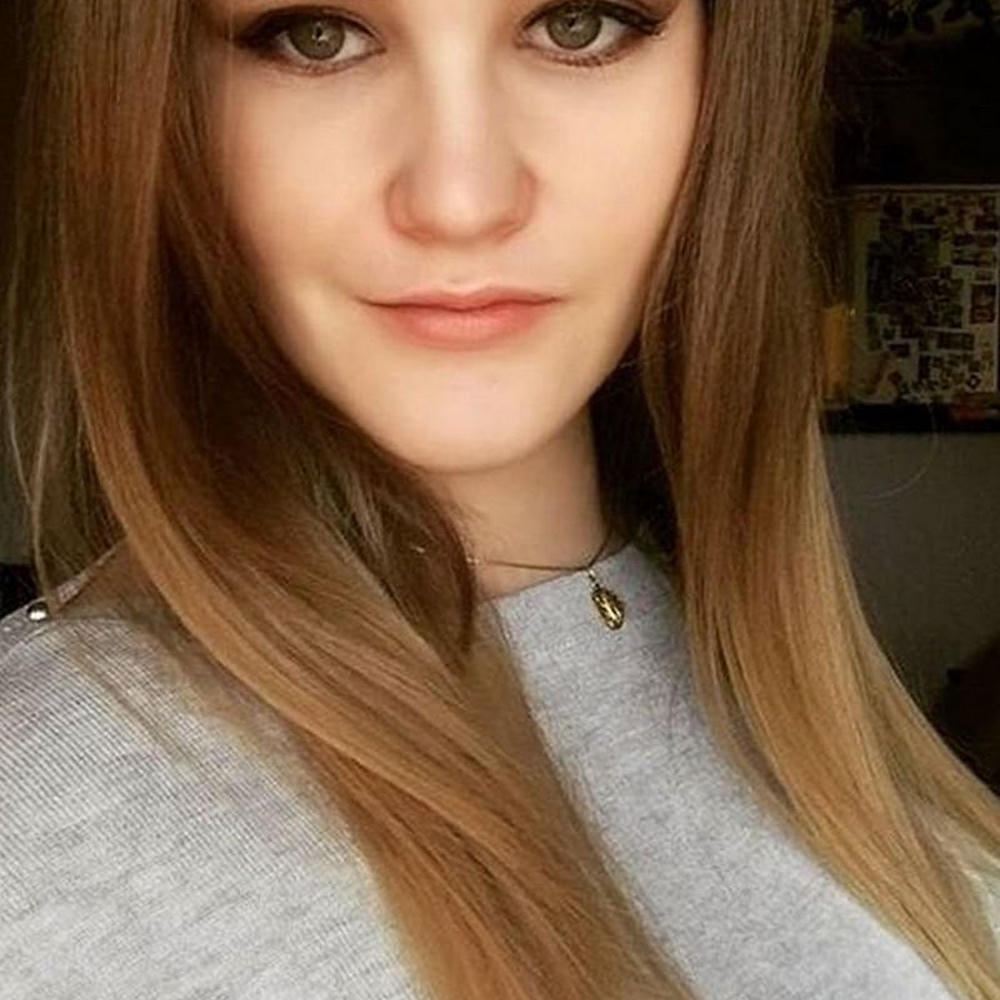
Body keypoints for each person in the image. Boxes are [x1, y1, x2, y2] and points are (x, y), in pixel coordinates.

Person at [1, 1, 998, 998]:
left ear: (727, 78)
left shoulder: (802, 720)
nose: (461, 200)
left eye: (578, 26)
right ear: (156, 99)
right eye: (316, 34)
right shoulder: (37, 832)